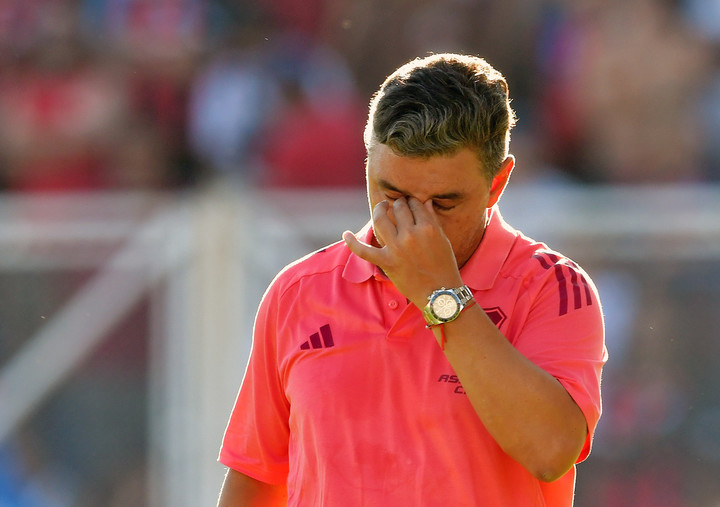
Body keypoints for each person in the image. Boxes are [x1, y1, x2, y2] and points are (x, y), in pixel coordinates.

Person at [217, 53, 607, 506]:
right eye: (392, 194)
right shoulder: (296, 291)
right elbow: (257, 477)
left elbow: (550, 450)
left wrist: (440, 295)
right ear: (367, 167)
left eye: (443, 204)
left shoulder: (553, 289)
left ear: (497, 184)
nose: (415, 223)